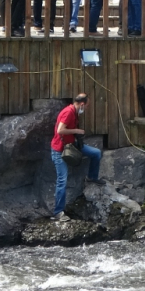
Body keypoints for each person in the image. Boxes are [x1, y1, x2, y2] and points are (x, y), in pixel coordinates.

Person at [50, 94, 104, 223]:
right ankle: (57, 212)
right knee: (62, 180)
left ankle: (92, 177)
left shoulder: (74, 112)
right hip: (60, 150)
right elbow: (60, 130)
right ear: (82, 104)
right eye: (87, 106)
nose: (86, 108)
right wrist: (77, 131)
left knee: (96, 153)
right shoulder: (68, 112)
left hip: (71, 146)